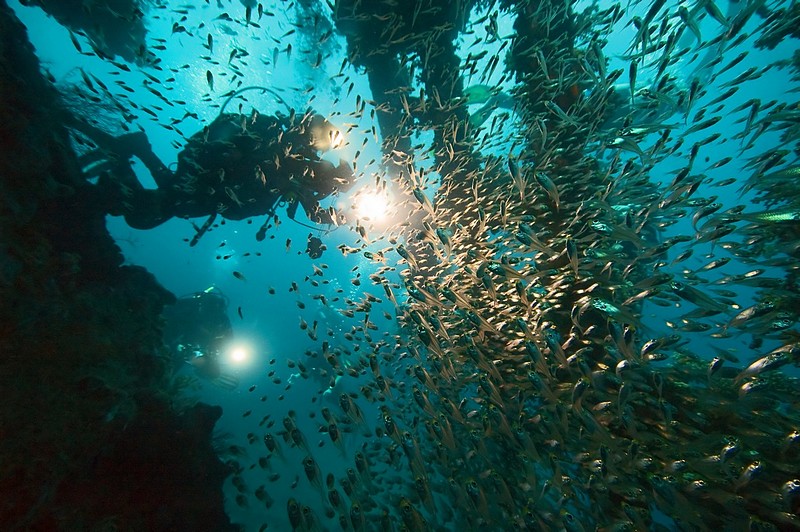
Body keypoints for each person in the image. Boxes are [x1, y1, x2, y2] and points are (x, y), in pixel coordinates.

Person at [80, 102, 356, 239]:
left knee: (167, 202)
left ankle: (135, 155)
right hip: (218, 180)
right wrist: (341, 218)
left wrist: (336, 216)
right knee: (156, 210)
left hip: (220, 185)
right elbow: (311, 204)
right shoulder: (297, 158)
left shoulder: (293, 157)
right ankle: (133, 157)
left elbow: (307, 204)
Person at [161, 287, 238, 389]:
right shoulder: (188, 311)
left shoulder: (222, 319)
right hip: (169, 339)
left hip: (187, 349)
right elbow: (168, 328)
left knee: (165, 375)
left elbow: (228, 338)